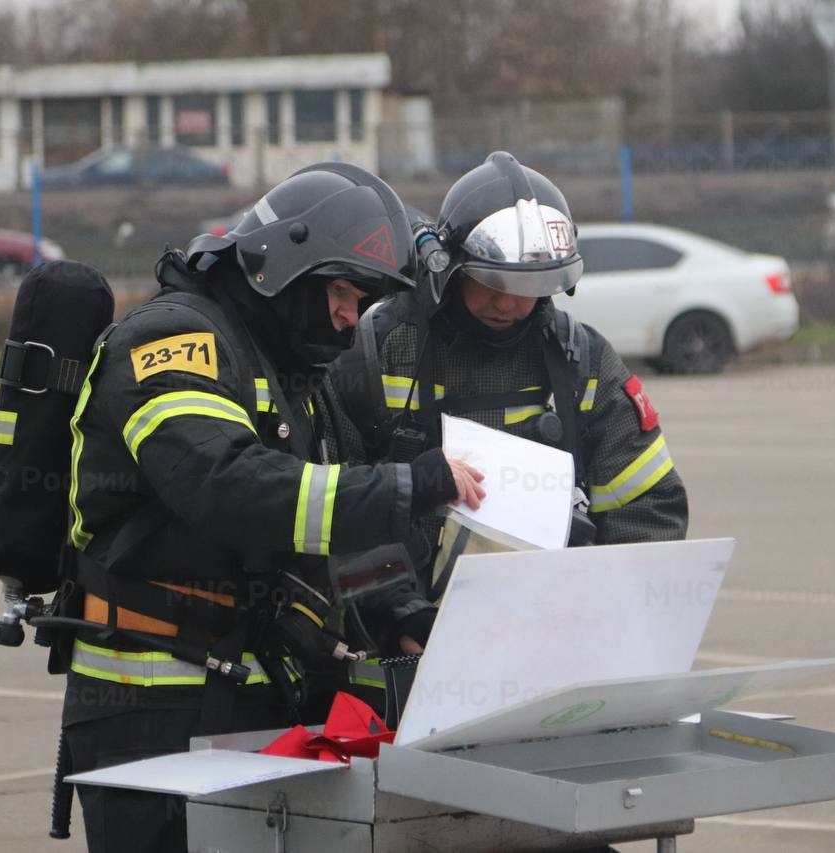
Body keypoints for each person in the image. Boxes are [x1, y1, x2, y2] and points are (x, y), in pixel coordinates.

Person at [60, 161, 484, 853]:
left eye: (364, 300)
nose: (351, 317)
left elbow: (326, 515)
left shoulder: (289, 374)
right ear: (281, 263)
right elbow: (229, 487)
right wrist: (409, 486)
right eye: (343, 291)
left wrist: (400, 614)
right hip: (148, 710)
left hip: (258, 691)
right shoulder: (169, 343)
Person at [332, 151, 688, 648]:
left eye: (532, 285)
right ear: (447, 267)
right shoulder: (378, 353)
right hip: (406, 648)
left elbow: (648, 507)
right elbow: (333, 509)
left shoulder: (582, 361)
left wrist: (604, 616)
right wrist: (396, 616)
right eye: (492, 280)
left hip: (555, 643)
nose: (509, 303)